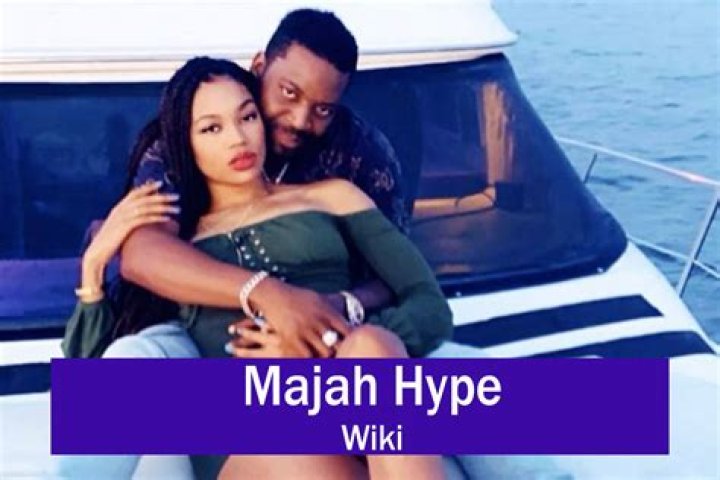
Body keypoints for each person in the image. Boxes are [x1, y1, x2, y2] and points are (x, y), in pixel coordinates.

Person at [62, 56, 451, 480]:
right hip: (243, 428)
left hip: (342, 390)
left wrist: (329, 335)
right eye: (211, 128)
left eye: (246, 117)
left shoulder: (332, 196)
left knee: (373, 346)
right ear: (185, 144)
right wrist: (93, 268)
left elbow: (429, 305)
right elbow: (100, 390)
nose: (237, 139)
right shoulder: (177, 241)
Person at [116, 8, 408, 359]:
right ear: (259, 67)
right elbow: (144, 253)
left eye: (322, 109)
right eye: (289, 92)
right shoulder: (185, 140)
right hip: (202, 341)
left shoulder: (361, 153)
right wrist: (270, 295)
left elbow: (394, 274)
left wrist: (324, 314)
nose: (300, 120)